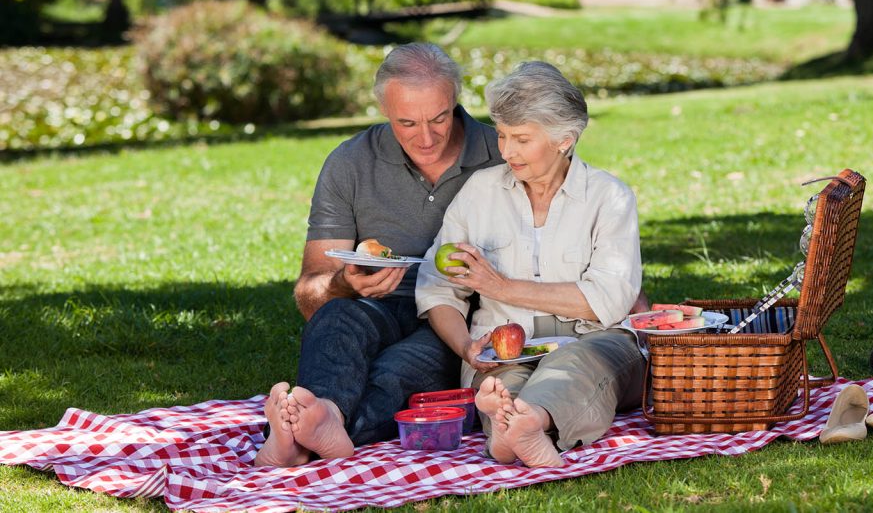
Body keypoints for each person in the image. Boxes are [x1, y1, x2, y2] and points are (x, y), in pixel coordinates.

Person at [254, 42, 504, 467]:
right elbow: (310, 294)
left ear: (456, 100)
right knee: (335, 317)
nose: (425, 138)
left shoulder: (500, 153)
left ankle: (297, 439)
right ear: (384, 111)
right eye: (407, 122)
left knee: (397, 370)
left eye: (439, 118)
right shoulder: (350, 163)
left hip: (459, 316)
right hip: (379, 305)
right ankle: (324, 418)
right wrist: (342, 284)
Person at [415, 61, 646, 467]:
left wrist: (502, 287)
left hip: (592, 339)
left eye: (522, 139)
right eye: (502, 135)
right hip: (506, 351)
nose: (506, 151)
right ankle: (517, 428)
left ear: (564, 140)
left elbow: (607, 300)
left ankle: (524, 424)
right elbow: (437, 287)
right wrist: (467, 348)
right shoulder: (480, 192)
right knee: (503, 384)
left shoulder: (609, 197)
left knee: (574, 365)